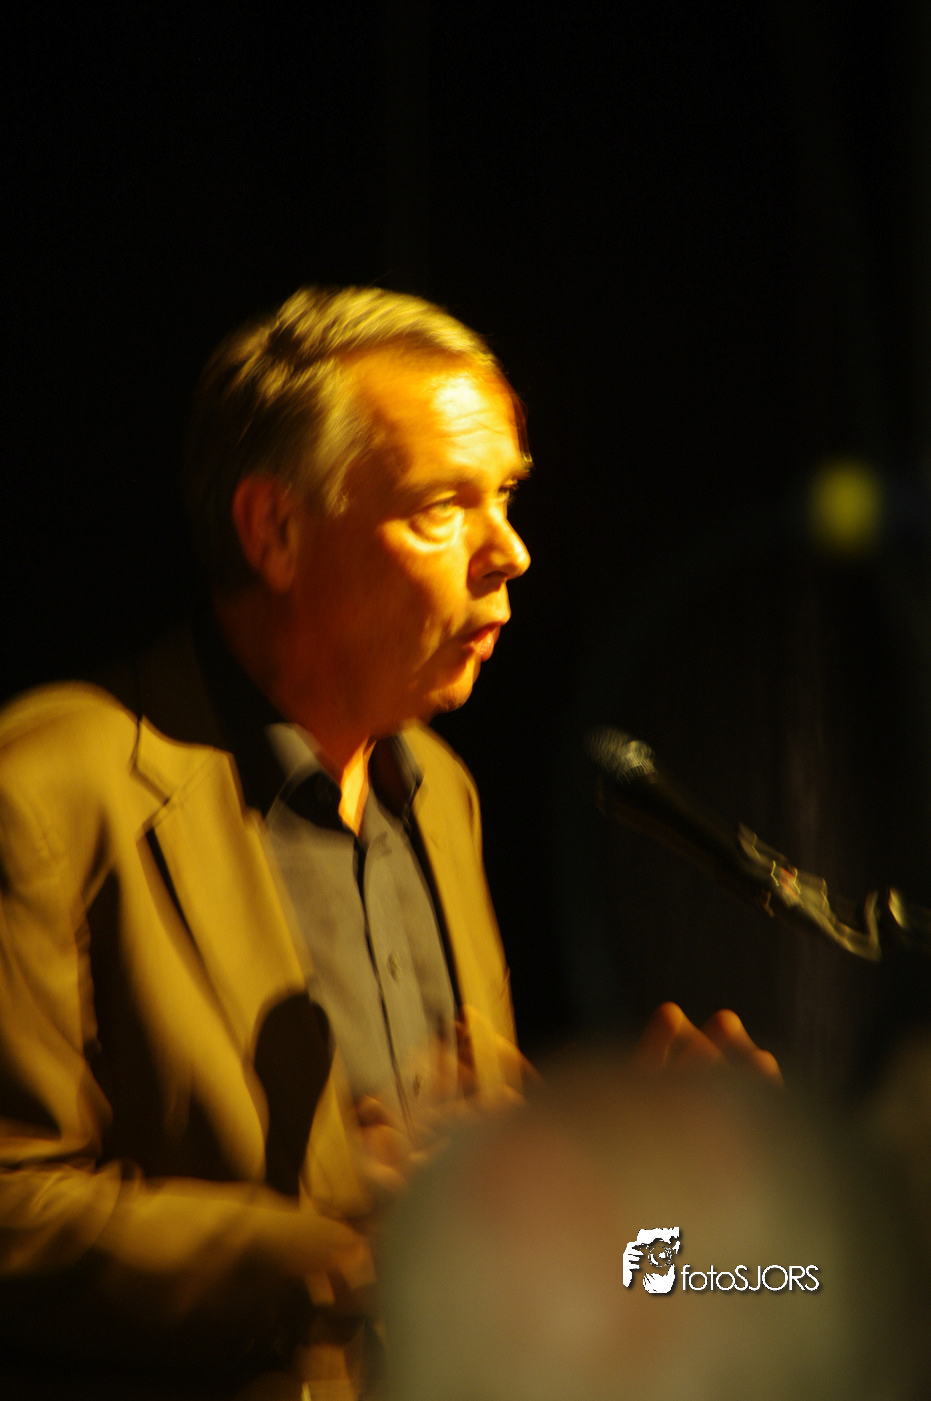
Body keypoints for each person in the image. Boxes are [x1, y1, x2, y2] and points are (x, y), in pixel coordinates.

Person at [0, 286, 775, 1401]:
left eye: (505, 495)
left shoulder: (439, 791)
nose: (509, 551)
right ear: (274, 532)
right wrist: (343, 1254)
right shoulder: (50, 789)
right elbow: (15, 1207)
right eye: (441, 506)